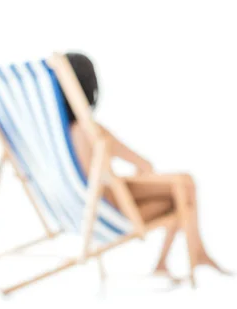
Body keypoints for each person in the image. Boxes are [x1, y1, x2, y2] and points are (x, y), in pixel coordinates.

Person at [63, 53, 224, 278]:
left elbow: (138, 165)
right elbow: (131, 168)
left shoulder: (59, 136)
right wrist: (136, 172)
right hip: (111, 208)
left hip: (87, 211)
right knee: (184, 188)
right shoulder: (86, 130)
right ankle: (190, 256)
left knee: (183, 192)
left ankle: (170, 262)